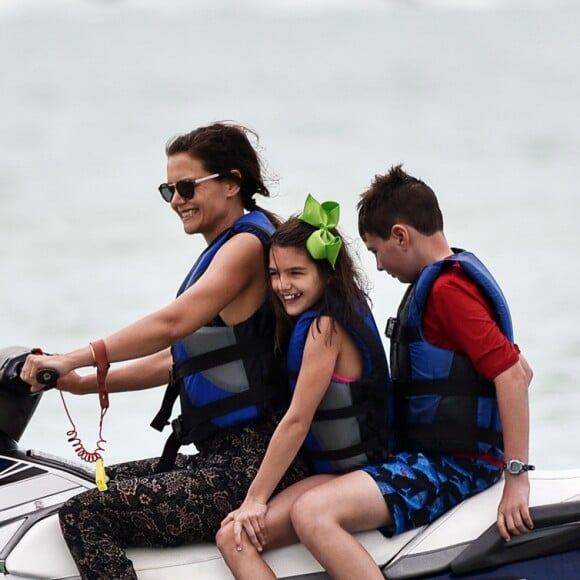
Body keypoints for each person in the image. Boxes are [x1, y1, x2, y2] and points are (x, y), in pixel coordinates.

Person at [19, 122, 310, 580]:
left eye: (187, 186)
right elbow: (181, 356)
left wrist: (74, 357)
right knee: (76, 489)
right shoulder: (227, 247)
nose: (176, 200)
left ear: (232, 183)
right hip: (225, 457)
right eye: (168, 189)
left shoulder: (247, 248)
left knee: (84, 514)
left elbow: (172, 323)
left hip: (254, 463)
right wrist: (83, 383)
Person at [282, 165, 535, 579]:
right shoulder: (449, 279)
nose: (379, 266)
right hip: (434, 457)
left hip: (454, 466)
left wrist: (516, 478)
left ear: (401, 235)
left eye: (376, 250)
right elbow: (524, 370)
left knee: (313, 514)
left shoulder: (448, 292)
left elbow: (510, 375)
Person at [216, 194, 392, 579]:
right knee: (232, 537)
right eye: (275, 274)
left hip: (360, 474)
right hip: (335, 472)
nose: (282, 286)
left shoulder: (324, 327)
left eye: (296, 273)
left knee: (237, 536)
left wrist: (255, 500)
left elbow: (297, 420)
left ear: (326, 274)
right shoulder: (322, 315)